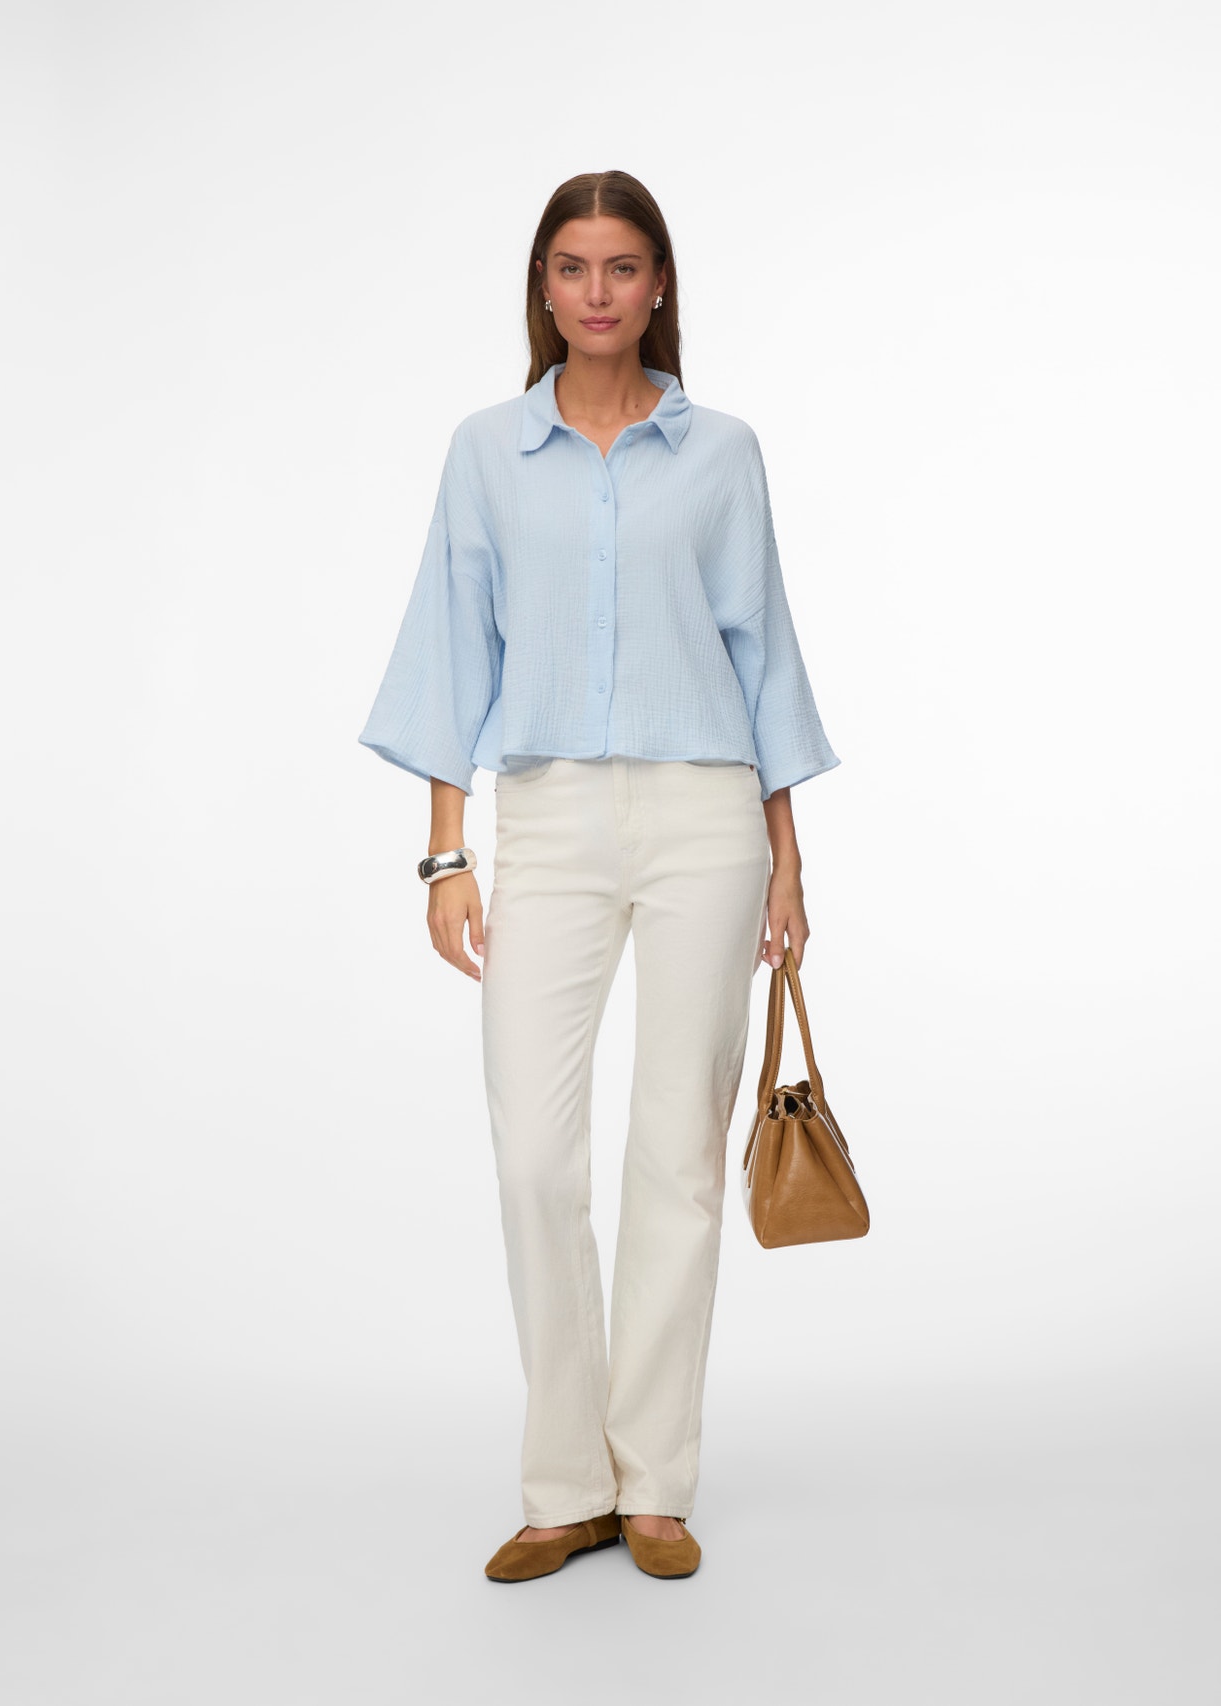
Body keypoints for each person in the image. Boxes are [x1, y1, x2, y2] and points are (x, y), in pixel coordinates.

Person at [357, 170, 842, 1582]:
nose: (597, 292)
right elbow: (455, 647)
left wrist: (788, 859)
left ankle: (654, 1480)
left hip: (707, 819)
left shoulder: (722, 452)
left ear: (659, 282)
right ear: (543, 285)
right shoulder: (487, 453)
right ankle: (565, 1480)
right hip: (552, 816)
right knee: (533, 1155)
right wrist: (447, 853)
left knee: (677, 1152)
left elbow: (763, 653)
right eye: (572, 267)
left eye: (622, 266)